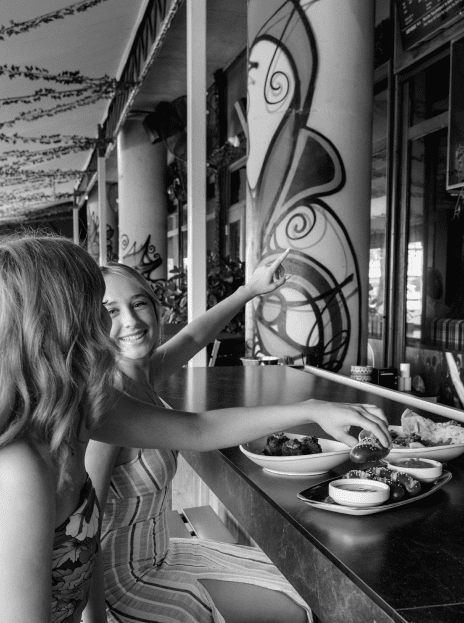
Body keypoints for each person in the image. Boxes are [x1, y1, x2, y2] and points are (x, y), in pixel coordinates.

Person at [0, 233, 390, 623]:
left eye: (134, 304)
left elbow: (199, 428)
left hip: (153, 556)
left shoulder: (86, 411)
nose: (112, 321)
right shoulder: (22, 467)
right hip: (131, 584)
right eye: (98, 306)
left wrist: (313, 408)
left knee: (304, 588)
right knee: (301, 605)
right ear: (57, 322)